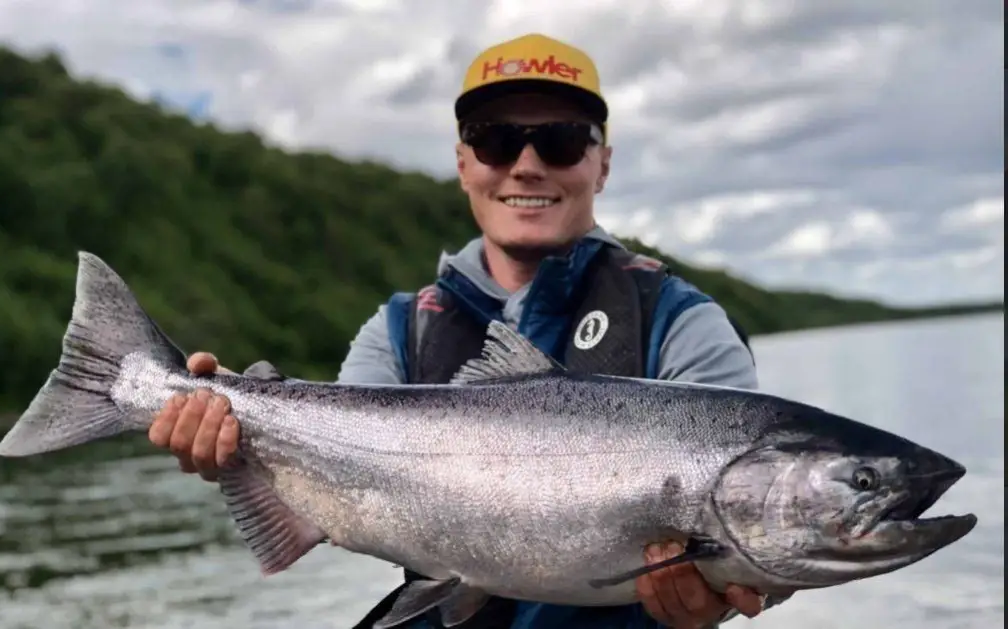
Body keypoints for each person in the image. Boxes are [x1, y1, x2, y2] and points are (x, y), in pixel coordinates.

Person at [148, 33, 780, 629]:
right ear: (463, 164)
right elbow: (335, 478)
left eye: (561, 141)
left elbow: (762, 545)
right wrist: (231, 431)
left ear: (603, 164)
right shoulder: (397, 331)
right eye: (495, 141)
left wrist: (724, 601)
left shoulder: (686, 323)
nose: (526, 165)